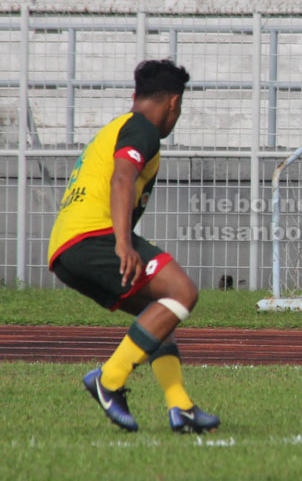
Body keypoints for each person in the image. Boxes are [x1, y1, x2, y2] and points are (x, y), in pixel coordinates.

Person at [47, 59, 219, 434]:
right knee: (182, 292)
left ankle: (181, 407)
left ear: (135, 95)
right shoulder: (142, 129)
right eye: (180, 108)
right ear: (174, 103)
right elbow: (122, 178)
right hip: (94, 237)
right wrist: (124, 244)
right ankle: (108, 379)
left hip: (67, 248)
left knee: (161, 318)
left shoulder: (118, 126)